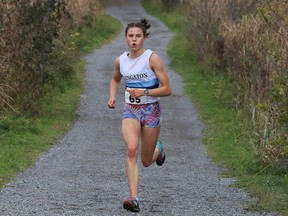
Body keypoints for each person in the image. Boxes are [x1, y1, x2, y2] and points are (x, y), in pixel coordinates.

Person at [107, 18, 172, 213]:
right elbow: (115, 79)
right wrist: (112, 96)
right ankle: (133, 198)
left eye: (138, 36)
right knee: (132, 149)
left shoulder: (152, 59)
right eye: (130, 36)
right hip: (131, 111)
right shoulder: (121, 60)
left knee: (145, 161)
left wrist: (145, 93)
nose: (134, 40)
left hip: (151, 111)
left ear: (144, 38)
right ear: (126, 38)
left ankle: (158, 151)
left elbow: (167, 89)